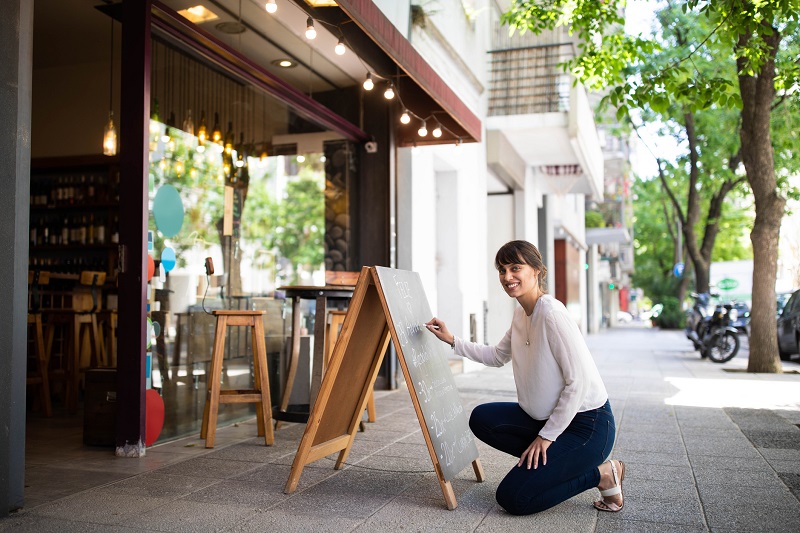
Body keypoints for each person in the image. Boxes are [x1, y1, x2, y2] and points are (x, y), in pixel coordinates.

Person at [425, 240, 625, 516]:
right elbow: (497, 356)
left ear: (537, 271)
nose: (507, 277)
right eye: (502, 269)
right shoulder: (521, 313)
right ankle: (552, 466)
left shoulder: (552, 314)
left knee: (514, 498)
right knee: (482, 418)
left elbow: (577, 383)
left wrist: (546, 437)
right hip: (545, 419)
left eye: (515, 268)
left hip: (587, 426)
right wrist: (452, 340)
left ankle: (601, 473)